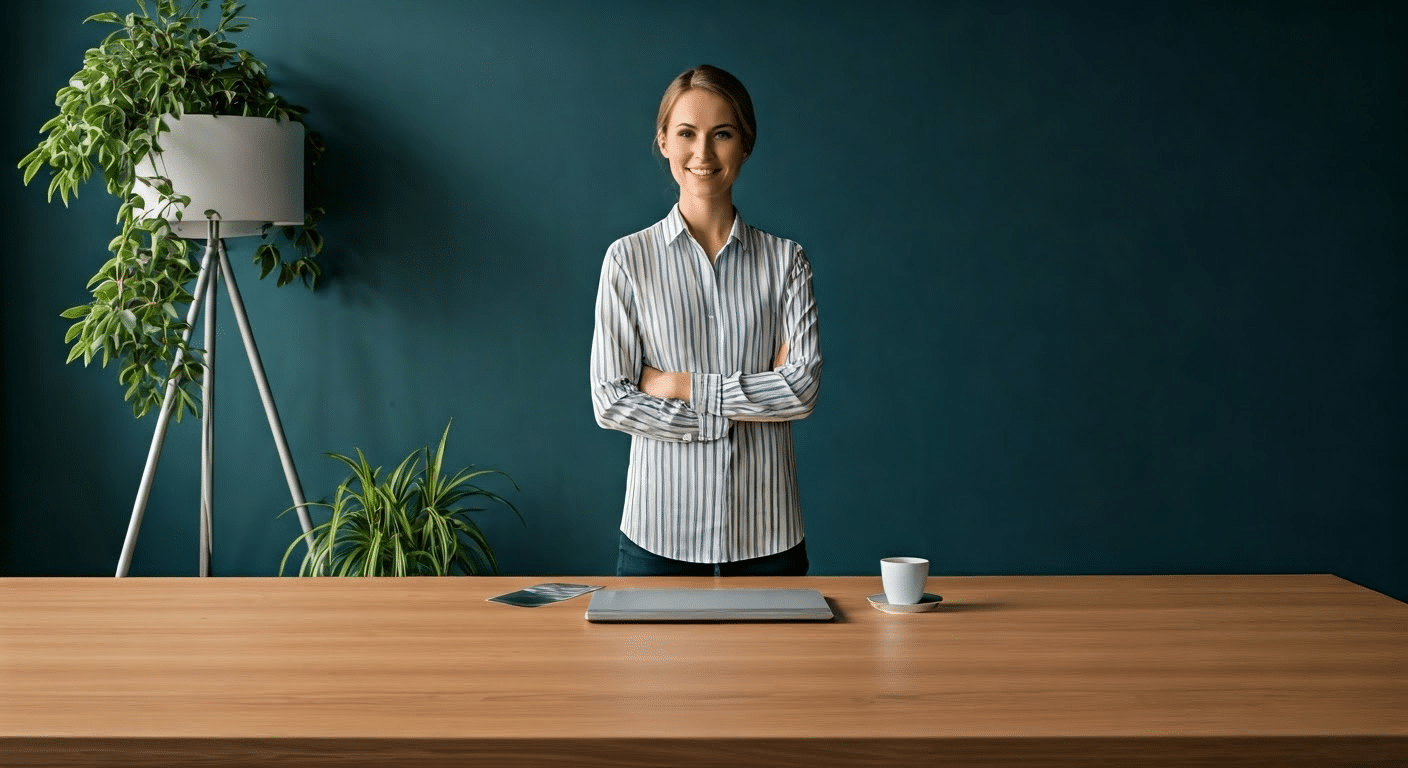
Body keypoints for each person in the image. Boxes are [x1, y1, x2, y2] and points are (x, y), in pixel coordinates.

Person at [589, 64, 823, 577]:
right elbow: (610, 401)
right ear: (664, 142)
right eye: (687, 134)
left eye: (722, 134)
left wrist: (675, 384)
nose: (703, 153)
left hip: (769, 536)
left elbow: (801, 391)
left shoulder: (787, 262)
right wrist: (745, 403)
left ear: (746, 143)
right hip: (658, 533)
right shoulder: (628, 260)